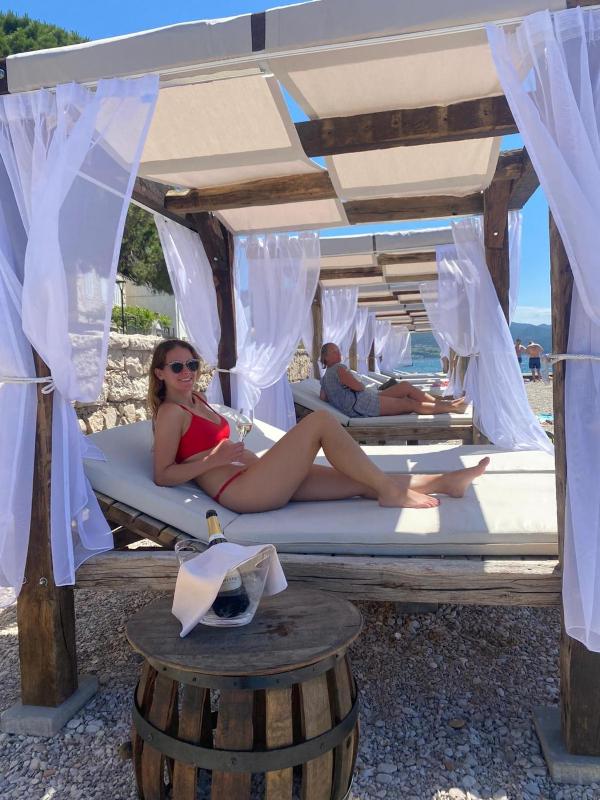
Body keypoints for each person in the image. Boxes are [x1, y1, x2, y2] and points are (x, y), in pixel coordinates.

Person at [150, 339, 489, 512]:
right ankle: (393, 493)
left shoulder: (198, 400)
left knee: (358, 480)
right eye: (177, 367)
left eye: (192, 364)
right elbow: (163, 474)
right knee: (321, 421)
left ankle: (446, 482)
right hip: (243, 491)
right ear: (160, 373)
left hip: (259, 476)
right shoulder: (170, 413)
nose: (187, 371)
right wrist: (214, 461)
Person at [319, 342, 467, 417]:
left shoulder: (324, 379)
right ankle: (452, 407)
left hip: (362, 402)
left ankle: (443, 404)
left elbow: (323, 398)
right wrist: (354, 381)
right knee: (410, 404)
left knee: (405, 386)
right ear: (326, 357)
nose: (339, 353)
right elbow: (359, 387)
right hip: (363, 405)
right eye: (335, 351)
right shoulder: (339, 368)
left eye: (338, 350)